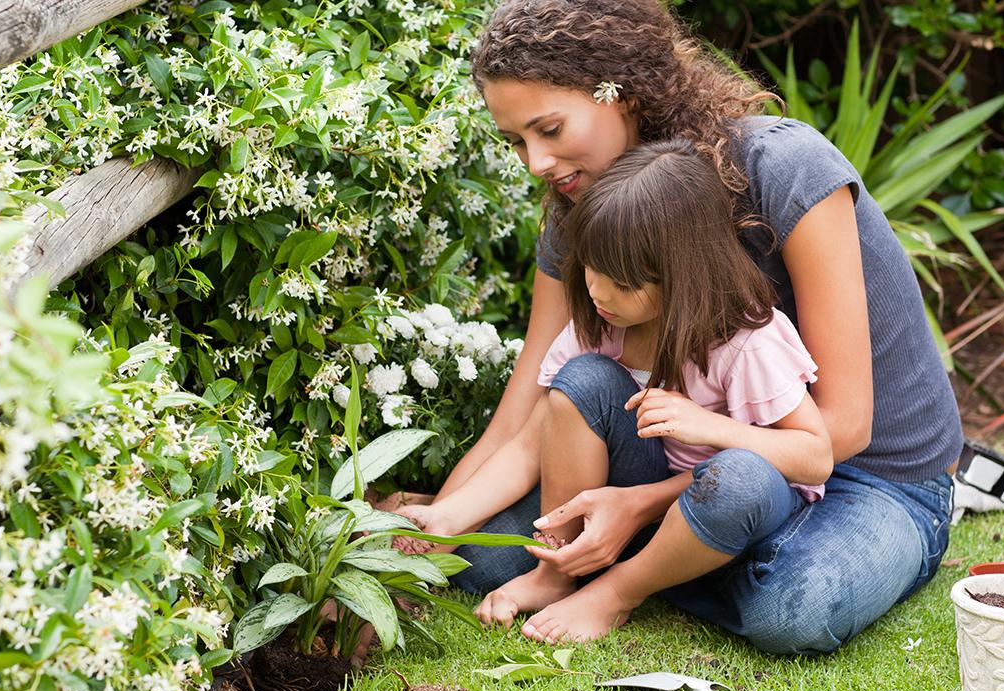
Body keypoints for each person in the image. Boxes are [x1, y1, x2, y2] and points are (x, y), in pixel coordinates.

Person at [395, 0, 960, 653]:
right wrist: (425, 543)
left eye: (548, 129)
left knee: (794, 608)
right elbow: (525, 416)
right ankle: (680, 554)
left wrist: (641, 505)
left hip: (863, 473)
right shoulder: (579, 212)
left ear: (622, 91)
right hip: (680, 452)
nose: (535, 163)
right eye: (517, 142)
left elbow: (845, 427)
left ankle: (640, 569)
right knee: (485, 560)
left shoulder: (782, 168)